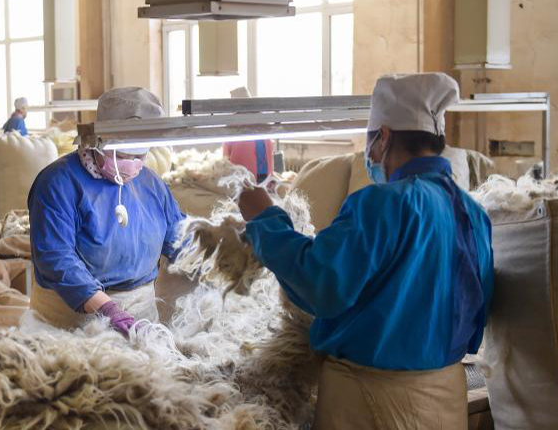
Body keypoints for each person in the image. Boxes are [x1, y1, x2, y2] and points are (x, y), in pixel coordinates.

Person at [236, 73, 493, 428]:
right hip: (446, 396)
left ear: (383, 137)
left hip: (374, 399)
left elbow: (321, 281)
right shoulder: (473, 212)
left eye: (370, 141)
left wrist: (264, 218)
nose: (369, 154)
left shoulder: (383, 203)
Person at [27, 87, 186, 336]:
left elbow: (178, 236)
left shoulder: (151, 184)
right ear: (97, 142)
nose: (132, 164)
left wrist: (218, 253)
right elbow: (55, 257)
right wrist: (107, 308)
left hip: (140, 312)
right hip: (71, 319)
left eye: (140, 155)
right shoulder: (58, 183)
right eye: (122, 155)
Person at [221, 87, 273, 182]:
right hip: (264, 172)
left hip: (244, 175)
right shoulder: (262, 118)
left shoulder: (233, 122)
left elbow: (225, 158)